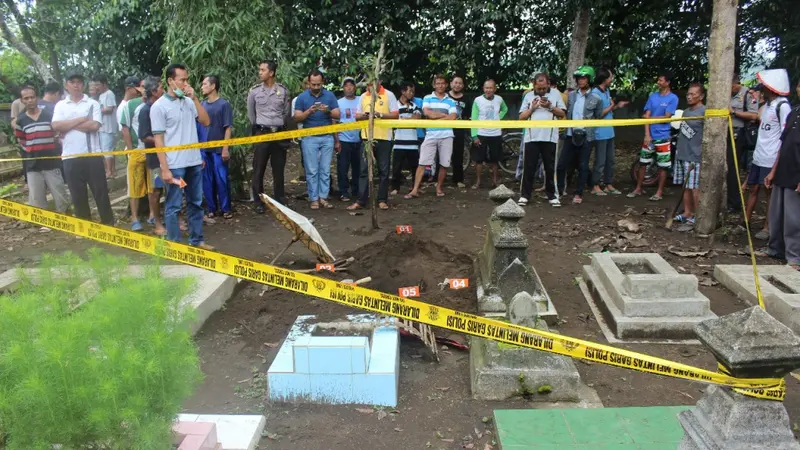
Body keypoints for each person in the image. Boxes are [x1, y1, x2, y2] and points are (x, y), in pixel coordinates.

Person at [151, 63, 213, 249]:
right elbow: (158, 140)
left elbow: (206, 121)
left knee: (195, 202)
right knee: (174, 205)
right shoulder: (159, 107)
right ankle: (175, 246)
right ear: (171, 81)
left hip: (193, 162)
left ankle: (197, 240)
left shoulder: (188, 102)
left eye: (187, 80)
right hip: (175, 166)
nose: (186, 84)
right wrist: (165, 169)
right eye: (182, 80)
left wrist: (194, 99)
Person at [52, 70, 114, 225]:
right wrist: (80, 120)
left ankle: (108, 224)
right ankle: (85, 227)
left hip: (92, 155)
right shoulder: (61, 105)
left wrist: (67, 126)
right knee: (77, 194)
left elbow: (94, 125)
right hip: (70, 156)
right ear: (66, 85)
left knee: (100, 192)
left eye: (79, 82)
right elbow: (55, 125)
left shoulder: (92, 103)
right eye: (72, 82)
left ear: (84, 84)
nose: (76, 85)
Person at [744, 69, 792, 241]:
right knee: (753, 189)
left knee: (768, 192)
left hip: (771, 157)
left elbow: (785, 133)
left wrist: (776, 163)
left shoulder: (783, 106)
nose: (761, 88)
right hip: (759, 155)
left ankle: (767, 226)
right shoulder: (768, 105)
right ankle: (746, 222)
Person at [763, 78, 800, 269]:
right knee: (777, 214)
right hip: (783, 170)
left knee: (794, 218)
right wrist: (773, 171)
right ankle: (775, 249)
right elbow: (783, 144)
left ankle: (795, 257)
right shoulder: (794, 113)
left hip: (797, 173)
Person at [13, 85, 69, 213]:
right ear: (22, 101)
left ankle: (66, 220)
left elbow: (58, 133)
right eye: (26, 98)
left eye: (32, 97)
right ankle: (44, 223)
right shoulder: (21, 120)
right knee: (37, 198)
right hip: (33, 164)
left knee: (60, 194)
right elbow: (20, 139)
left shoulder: (49, 115)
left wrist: (54, 141)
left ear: (37, 98)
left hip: (52, 162)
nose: (30, 100)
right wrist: (30, 149)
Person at [348, 79, 399, 211]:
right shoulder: (364, 97)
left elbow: (395, 115)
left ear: (380, 81)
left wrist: (380, 115)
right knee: (364, 170)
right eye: (369, 84)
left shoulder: (389, 95)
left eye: (373, 83)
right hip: (367, 138)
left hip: (384, 138)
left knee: (383, 170)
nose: (370, 86)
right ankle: (361, 200)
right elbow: (357, 115)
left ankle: (382, 200)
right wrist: (365, 117)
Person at [293, 69, 340, 209]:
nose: (315, 87)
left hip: (327, 137)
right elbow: (296, 117)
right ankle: (313, 198)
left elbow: (338, 115)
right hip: (309, 137)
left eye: (318, 84)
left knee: (325, 169)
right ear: (309, 83)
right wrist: (309, 111)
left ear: (322, 83)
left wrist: (328, 111)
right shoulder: (302, 98)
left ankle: (323, 197)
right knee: (312, 169)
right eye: (313, 84)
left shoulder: (330, 96)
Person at [628, 72, 679, 201]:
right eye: (658, 80)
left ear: (667, 83)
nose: (658, 82)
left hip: (663, 136)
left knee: (663, 165)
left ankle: (659, 192)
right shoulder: (652, 97)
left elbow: (667, 116)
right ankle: (638, 188)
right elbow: (646, 117)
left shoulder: (673, 98)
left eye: (661, 80)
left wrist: (650, 118)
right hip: (650, 136)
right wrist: (647, 134)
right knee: (643, 162)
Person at [405, 74, 458, 199]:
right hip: (431, 134)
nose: (440, 85)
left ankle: (439, 187)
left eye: (442, 83)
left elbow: (453, 117)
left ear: (446, 85)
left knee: (444, 163)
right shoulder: (428, 98)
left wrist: (437, 115)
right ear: (434, 85)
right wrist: (444, 115)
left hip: (447, 135)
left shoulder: (451, 100)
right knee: (422, 162)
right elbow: (428, 113)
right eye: (438, 83)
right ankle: (414, 190)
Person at [248, 60, 290, 211]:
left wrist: (277, 125)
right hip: (262, 132)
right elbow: (251, 115)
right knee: (259, 168)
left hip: (278, 133)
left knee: (278, 169)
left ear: (271, 73)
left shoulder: (283, 91)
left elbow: (285, 113)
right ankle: (259, 201)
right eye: (259, 70)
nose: (260, 72)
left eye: (263, 70)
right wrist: (260, 127)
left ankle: (280, 199)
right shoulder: (254, 91)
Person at [518, 73, 566, 207]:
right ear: (534, 85)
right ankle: (525, 195)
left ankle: (553, 196)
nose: (541, 91)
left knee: (550, 168)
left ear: (548, 84)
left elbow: (562, 114)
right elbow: (521, 117)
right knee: (529, 167)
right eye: (538, 89)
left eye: (544, 88)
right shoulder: (528, 96)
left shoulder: (556, 94)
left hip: (550, 137)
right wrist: (532, 108)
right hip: (531, 137)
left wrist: (550, 107)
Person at [585, 67, 628, 196]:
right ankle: (595, 185)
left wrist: (616, 106)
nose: (612, 79)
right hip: (600, 133)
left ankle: (608, 183)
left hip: (609, 131)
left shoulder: (606, 91)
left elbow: (608, 110)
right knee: (600, 160)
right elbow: (597, 114)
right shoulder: (594, 94)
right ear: (604, 79)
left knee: (610, 160)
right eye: (610, 77)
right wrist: (612, 106)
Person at [557, 66, 594, 204]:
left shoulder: (595, 98)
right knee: (561, 165)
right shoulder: (571, 96)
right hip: (570, 134)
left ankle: (579, 193)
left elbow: (599, 115)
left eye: (583, 78)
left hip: (586, 135)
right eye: (579, 78)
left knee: (583, 166)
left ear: (589, 79)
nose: (580, 81)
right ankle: (560, 191)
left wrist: (590, 121)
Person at [671, 83, 707, 228]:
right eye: (688, 94)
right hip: (682, 153)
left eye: (693, 94)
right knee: (685, 185)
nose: (690, 96)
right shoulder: (685, 112)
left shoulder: (705, 111)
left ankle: (698, 215)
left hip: (695, 155)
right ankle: (687, 212)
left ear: (701, 96)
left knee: (694, 187)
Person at [118, 76, 149, 231]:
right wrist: (131, 150)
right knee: (134, 187)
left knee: (153, 187)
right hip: (137, 151)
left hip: (152, 151)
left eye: (146, 86)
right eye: (141, 86)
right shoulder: (130, 105)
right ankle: (135, 218)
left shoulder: (156, 103)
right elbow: (125, 128)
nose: (143, 89)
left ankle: (152, 216)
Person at [137, 75, 167, 236]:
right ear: (154, 91)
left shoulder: (163, 107)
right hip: (154, 158)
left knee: (175, 187)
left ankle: (176, 218)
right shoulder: (145, 111)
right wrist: (161, 140)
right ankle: (157, 223)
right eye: (161, 88)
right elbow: (144, 136)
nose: (164, 90)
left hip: (169, 156)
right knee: (156, 191)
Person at [200, 74, 234, 219]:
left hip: (219, 150)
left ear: (213, 86)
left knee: (222, 179)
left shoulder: (224, 105)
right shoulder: (201, 105)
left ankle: (226, 208)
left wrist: (225, 148)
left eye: (204, 84)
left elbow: (228, 128)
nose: (202, 87)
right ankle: (211, 209)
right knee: (207, 181)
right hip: (205, 150)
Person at [727, 73, 760, 212]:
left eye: (731, 86)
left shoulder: (748, 94)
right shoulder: (725, 94)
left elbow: (754, 115)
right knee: (726, 167)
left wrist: (734, 112)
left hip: (739, 133)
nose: (729, 89)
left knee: (733, 168)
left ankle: (735, 203)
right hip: (726, 132)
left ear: (736, 84)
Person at [470, 79, 507, 189]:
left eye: (491, 88)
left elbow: (505, 109)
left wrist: (498, 117)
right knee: (479, 159)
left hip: (495, 133)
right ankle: (478, 181)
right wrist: (474, 135)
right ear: (483, 88)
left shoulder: (499, 99)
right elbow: (474, 118)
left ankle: (495, 181)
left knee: (495, 159)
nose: (488, 90)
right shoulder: (478, 100)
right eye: (486, 88)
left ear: (495, 89)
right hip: (481, 133)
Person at [391, 82, 423, 195]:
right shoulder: (394, 106)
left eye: (413, 91)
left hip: (413, 141)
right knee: (396, 167)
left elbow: (417, 118)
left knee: (414, 166)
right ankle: (395, 187)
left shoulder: (414, 105)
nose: (411, 93)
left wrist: (402, 120)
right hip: (399, 141)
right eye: (409, 91)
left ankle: (415, 187)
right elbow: (394, 121)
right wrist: (408, 119)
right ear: (403, 91)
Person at [335, 76, 361, 202]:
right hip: (344, 139)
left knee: (358, 167)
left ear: (355, 87)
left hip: (359, 139)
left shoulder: (361, 100)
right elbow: (334, 123)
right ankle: (343, 191)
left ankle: (356, 191)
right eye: (346, 85)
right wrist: (337, 141)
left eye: (351, 85)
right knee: (343, 168)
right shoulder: (339, 103)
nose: (349, 87)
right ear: (343, 88)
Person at [92, 74, 118, 179]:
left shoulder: (109, 94)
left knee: (107, 149)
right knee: (108, 149)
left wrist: (98, 110)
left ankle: (109, 172)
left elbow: (109, 109)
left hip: (108, 127)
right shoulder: (101, 95)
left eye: (98, 84)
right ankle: (112, 170)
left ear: (104, 84)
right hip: (103, 127)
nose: (97, 87)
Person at [448, 75, 470, 188]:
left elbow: (467, 116)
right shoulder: (445, 97)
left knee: (458, 155)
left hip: (459, 130)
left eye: (460, 83)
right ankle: (438, 179)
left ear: (463, 85)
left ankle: (458, 179)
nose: (457, 85)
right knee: (442, 154)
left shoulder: (466, 99)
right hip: (445, 129)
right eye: (455, 82)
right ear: (451, 84)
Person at [290, 76, 310, 183]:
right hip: (303, 134)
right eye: (306, 84)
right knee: (305, 160)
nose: (308, 86)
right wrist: (307, 113)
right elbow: (295, 118)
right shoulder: (297, 100)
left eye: (309, 83)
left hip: (318, 134)